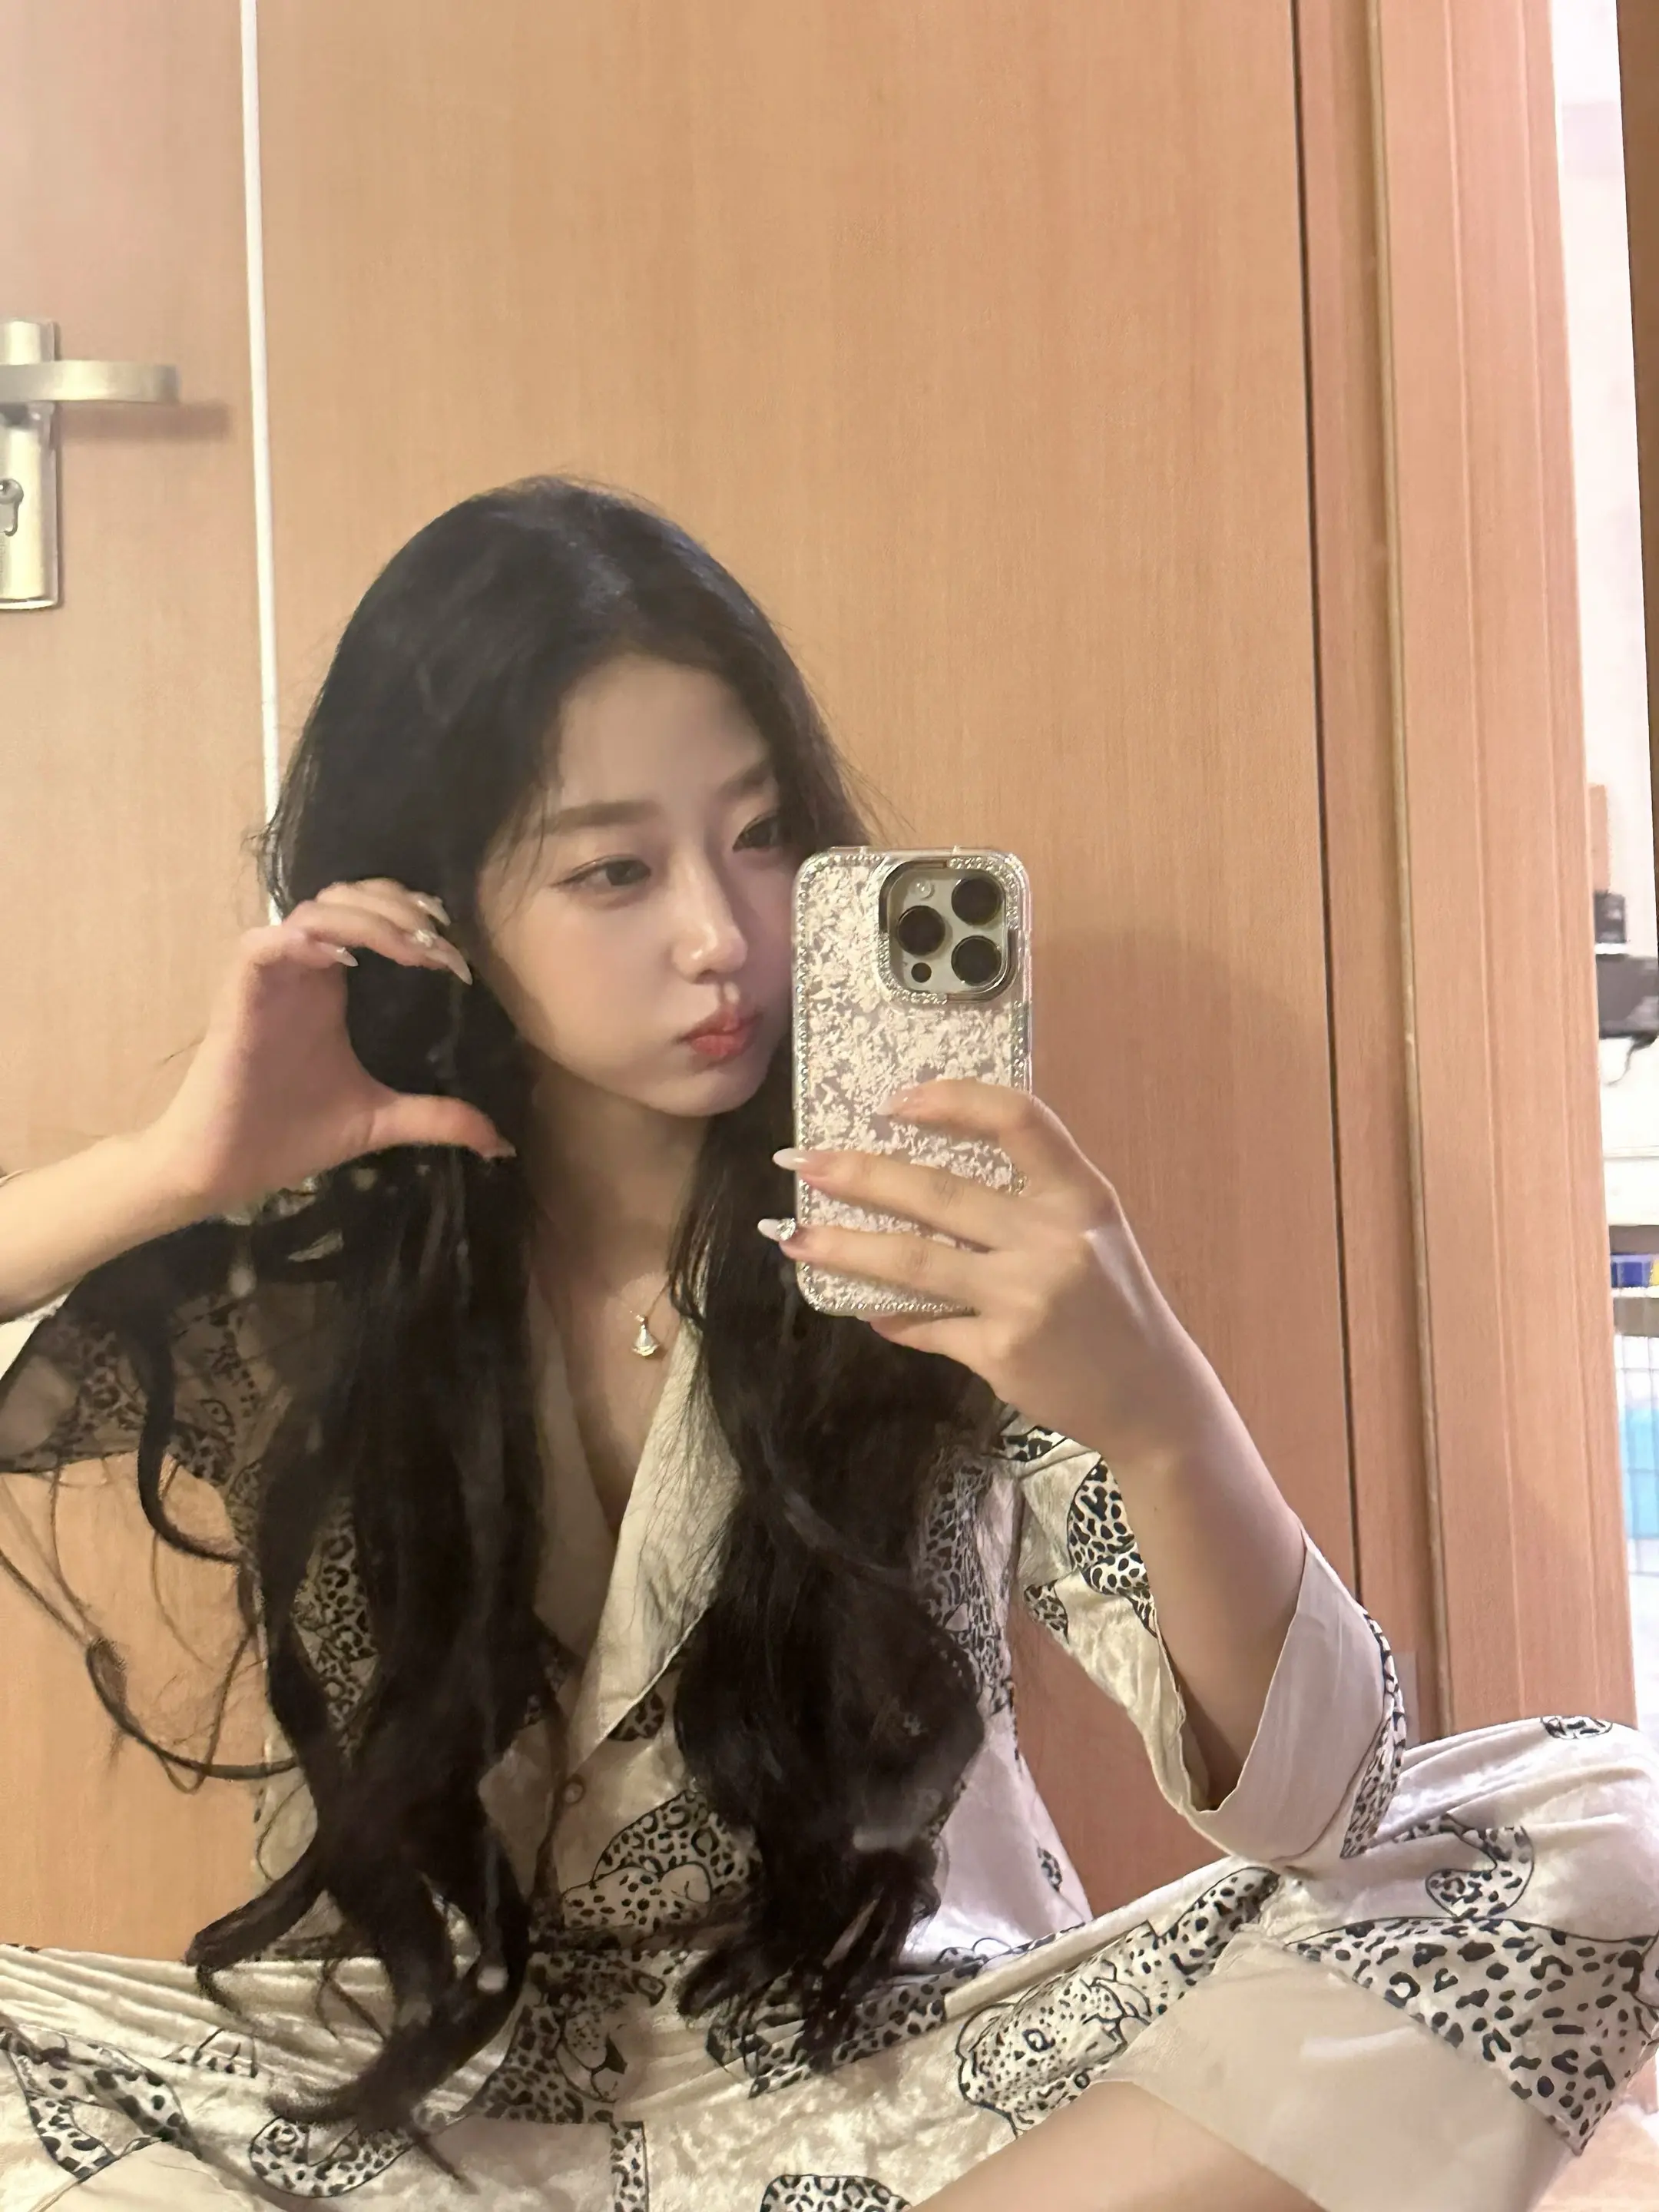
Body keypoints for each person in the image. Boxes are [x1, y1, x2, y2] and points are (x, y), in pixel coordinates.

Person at [0, 478, 1653, 2212]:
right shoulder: (296, 1282)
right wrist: (167, 1173)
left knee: (1599, 1828)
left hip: (898, 2098)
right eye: (615, 869)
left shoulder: (941, 1228)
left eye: (764, 832)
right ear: (438, 907)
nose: (723, 937)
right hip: (417, 2127)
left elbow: (1328, 1805)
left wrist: (1163, 1414)